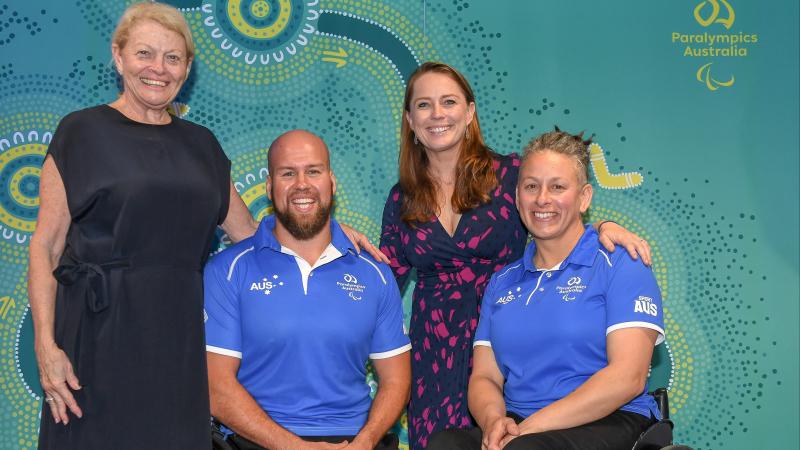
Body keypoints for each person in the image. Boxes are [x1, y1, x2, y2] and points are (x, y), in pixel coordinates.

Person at [28, 4, 381, 449]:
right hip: (98, 335)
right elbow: (46, 246)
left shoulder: (202, 145)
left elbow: (251, 234)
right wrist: (46, 345)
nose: (158, 68)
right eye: (144, 54)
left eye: (173, 58)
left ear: (187, 68)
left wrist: (325, 232)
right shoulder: (79, 132)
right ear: (118, 57)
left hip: (181, 338)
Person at [379, 62, 653, 449]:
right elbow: (380, 281)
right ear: (409, 119)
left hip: (512, 340)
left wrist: (604, 227)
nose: (437, 114)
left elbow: (555, 209)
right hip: (436, 347)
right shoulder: (402, 196)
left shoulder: (509, 176)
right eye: (424, 105)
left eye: (449, 101)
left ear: (470, 112)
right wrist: (338, 241)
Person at [427, 129, 665, 450]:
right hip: (523, 424)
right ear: (516, 197)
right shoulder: (502, 282)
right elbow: (485, 378)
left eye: (557, 187)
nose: (542, 199)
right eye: (531, 186)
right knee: (446, 443)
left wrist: (529, 429)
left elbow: (628, 377)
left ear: (584, 198)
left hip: (613, 418)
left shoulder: (621, 261)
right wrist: (495, 422)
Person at [205, 130, 411, 450]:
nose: (302, 183)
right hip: (256, 441)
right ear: (270, 187)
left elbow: (397, 380)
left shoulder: (375, 274)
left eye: (313, 171)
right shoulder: (228, 271)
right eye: (288, 173)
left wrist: (365, 442)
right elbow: (216, 390)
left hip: (354, 440)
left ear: (332, 182)